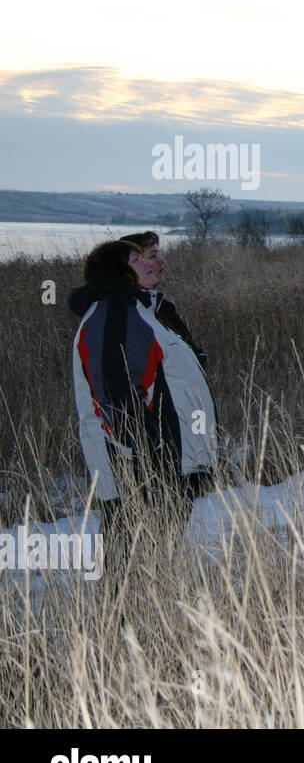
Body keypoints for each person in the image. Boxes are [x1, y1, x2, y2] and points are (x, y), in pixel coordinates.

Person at [69, 231, 217, 581]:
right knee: (131, 566)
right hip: (140, 466)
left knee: (153, 564)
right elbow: (114, 394)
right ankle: (122, 631)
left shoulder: (136, 309)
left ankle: (144, 629)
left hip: (162, 459)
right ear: (118, 272)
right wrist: (149, 453)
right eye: (137, 260)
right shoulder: (113, 313)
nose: (149, 263)